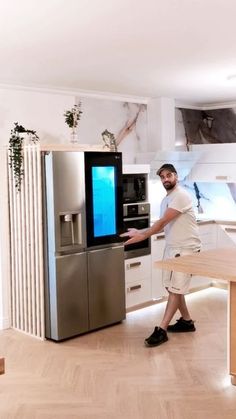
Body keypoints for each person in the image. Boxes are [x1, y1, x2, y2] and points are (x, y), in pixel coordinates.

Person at [120, 163, 201, 347]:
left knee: (174, 289)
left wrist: (142, 235)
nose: (165, 179)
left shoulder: (181, 195)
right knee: (171, 287)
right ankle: (187, 321)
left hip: (186, 249)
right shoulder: (167, 198)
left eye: (168, 175)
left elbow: (163, 222)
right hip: (173, 247)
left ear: (176, 176)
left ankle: (162, 330)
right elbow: (160, 222)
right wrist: (141, 231)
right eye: (162, 177)